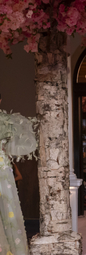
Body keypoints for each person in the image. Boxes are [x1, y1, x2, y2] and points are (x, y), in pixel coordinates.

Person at [0, 99, 37, 255]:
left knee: (6, 205)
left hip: (2, 166)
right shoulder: (6, 121)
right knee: (7, 205)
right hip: (2, 164)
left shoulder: (6, 121)